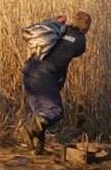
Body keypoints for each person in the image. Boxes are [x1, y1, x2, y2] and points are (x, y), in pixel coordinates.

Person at [21, 11, 92, 154]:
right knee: (54, 111)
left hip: (29, 71)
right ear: (86, 28)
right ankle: (29, 128)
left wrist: (58, 23)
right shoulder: (79, 40)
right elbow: (76, 50)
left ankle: (37, 148)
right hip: (44, 77)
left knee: (40, 112)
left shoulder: (58, 29)